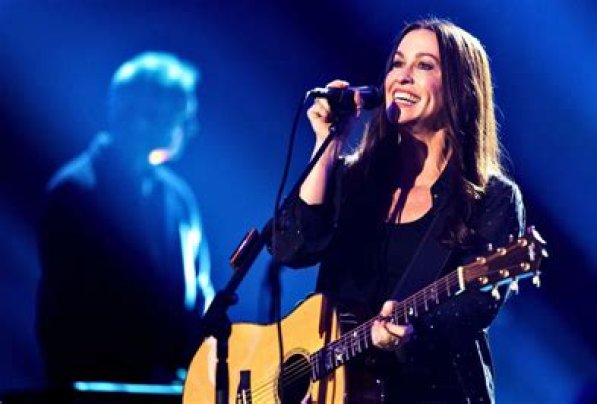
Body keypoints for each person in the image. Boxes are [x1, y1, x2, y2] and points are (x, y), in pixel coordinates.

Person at [272, 18, 525, 403]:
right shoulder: (353, 179)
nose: (402, 77)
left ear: (461, 89)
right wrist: (329, 142)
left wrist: (410, 334)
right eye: (397, 63)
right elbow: (292, 247)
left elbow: (473, 308)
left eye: (424, 65)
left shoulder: (491, 198)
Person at [36, 52, 214, 389]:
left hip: (171, 387)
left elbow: (199, 301)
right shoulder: (74, 192)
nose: (191, 128)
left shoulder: (178, 198)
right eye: (182, 116)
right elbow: (67, 312)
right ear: (145, 115)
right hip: (98, 390)